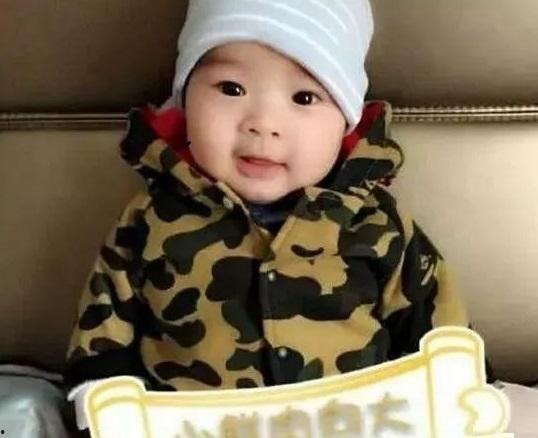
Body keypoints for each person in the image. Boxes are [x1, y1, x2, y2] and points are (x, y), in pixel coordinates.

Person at [64, 0, 469, 432]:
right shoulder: (151, 218)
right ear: (185, 101)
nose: (263, 123)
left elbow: (436, 322)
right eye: (231, 89)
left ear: (345, 123)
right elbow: (105, 322)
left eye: (304, 97)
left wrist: (461, 389)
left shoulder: (375, 224)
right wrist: (100, 398)